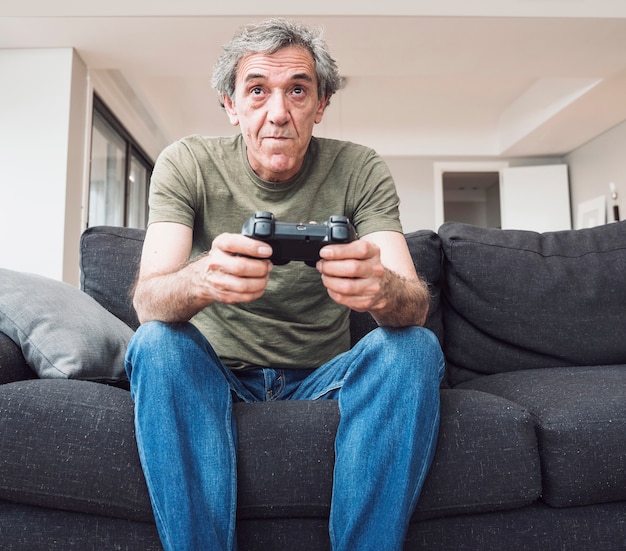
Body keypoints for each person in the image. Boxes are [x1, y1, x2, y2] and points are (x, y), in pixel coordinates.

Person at [125, 17, 445, 551]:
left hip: (324, 377)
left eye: (297, 90)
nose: (278, 113)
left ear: (320, 105)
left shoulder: (358, 168)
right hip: (218, 374)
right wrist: (203, 277)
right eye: (257, 91)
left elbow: (412, 305)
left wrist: (381, 290)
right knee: (156, 343)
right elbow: (147, 301)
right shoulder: (188, 163)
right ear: (231, 105)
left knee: (414, 348)